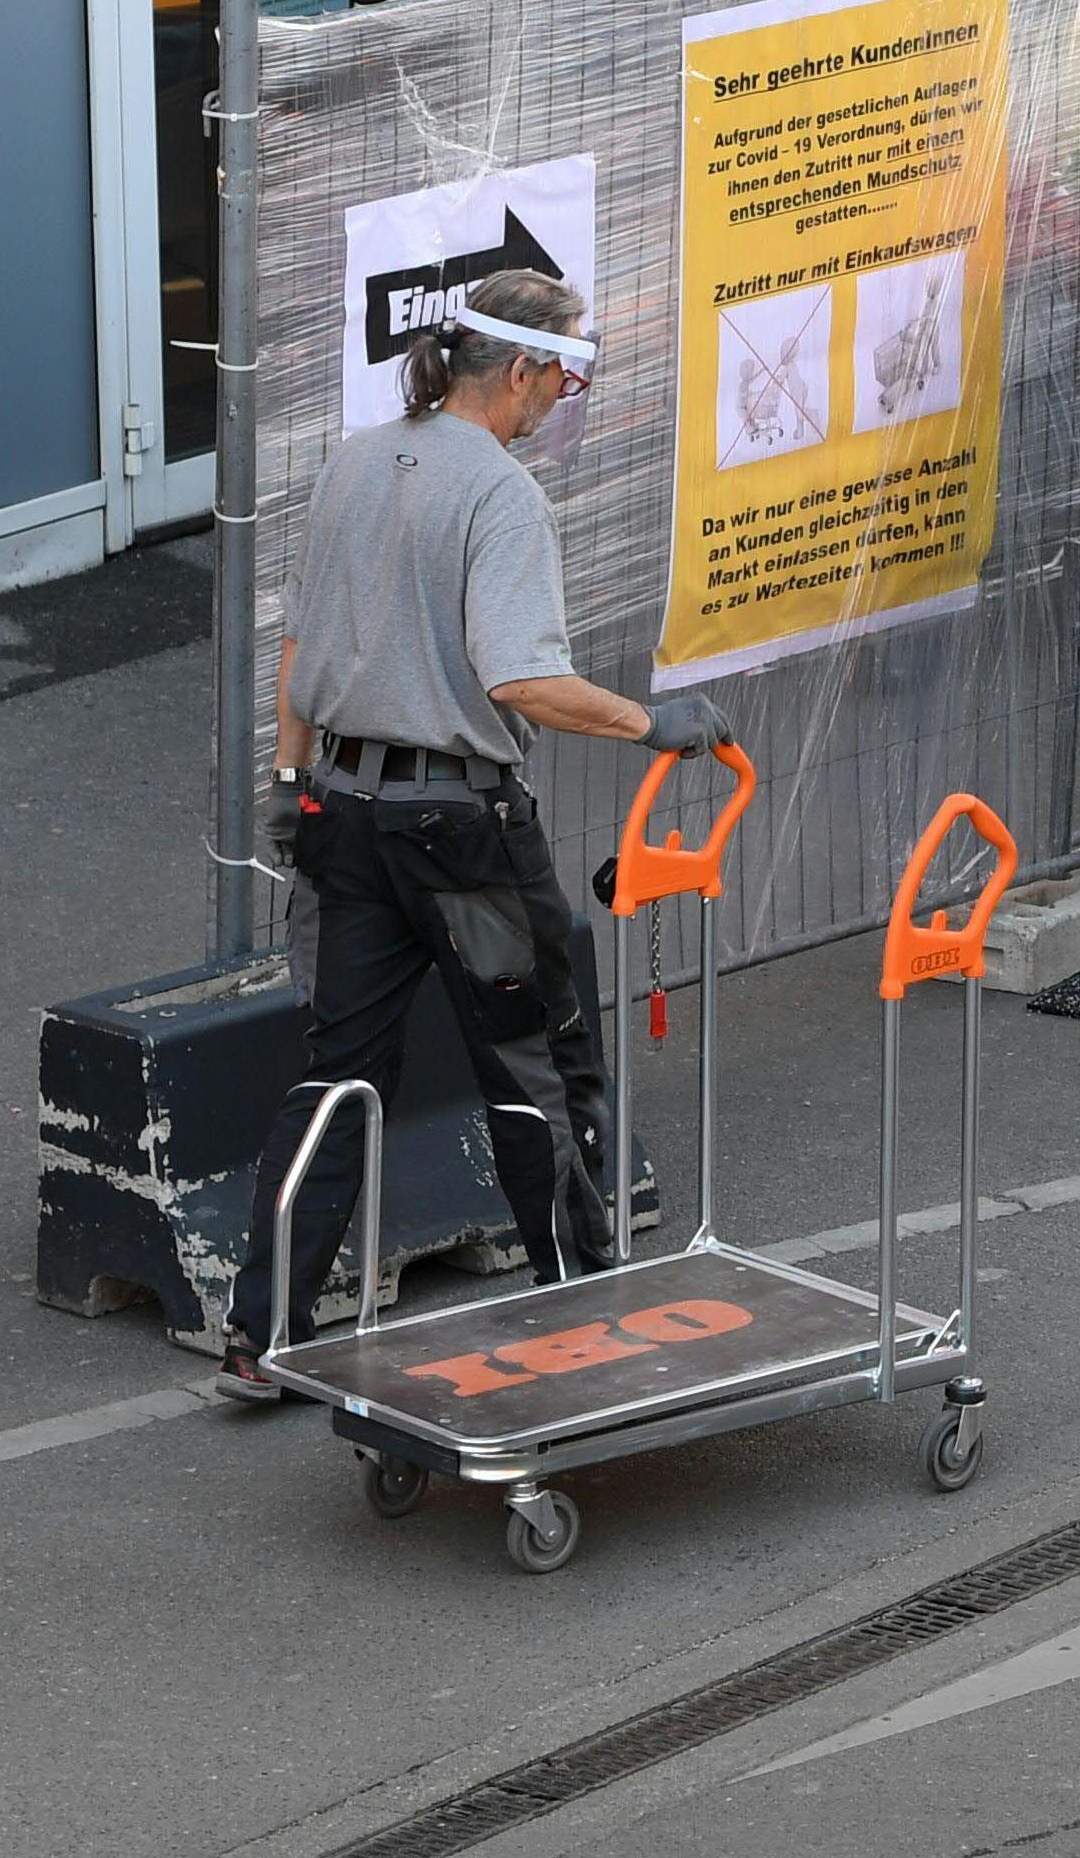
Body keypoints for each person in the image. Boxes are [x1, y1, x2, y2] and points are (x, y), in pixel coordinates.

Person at [219, 271, 730, 1401]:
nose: (568, 396)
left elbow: (300, 647)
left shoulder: (354, 459)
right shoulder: (502, 497)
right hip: (459, 833)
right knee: (537, 1071)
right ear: (521, 372)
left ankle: (265, 1336)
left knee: (336, 1079)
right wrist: (655, 725)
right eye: (570, 373)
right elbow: (521, 679)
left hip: (343, 816)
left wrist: (289, 779)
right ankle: (586, 1308)